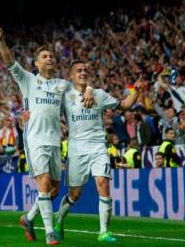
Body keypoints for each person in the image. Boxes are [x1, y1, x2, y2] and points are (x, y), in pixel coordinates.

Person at [0, 20, 93, 245]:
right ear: (36, 63)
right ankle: (49, 232)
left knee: (54, 190)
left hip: (55, 141)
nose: (49, 59)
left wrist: (89, 91)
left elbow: (79, 92)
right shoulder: (28, 79)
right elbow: (9, 61)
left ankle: (28, 218)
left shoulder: (61, 85)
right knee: (44, 184)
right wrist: (1, 40)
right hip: (35, 140)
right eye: (45, 56)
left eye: (51, 56)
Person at [54, 60, 139, 242]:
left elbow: (124, 105)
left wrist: (136, 91)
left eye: (85, 70)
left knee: (103, 183)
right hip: (76, 150)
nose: (83, 72)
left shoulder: (99, 94)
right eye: (78, 70)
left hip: (99, 146)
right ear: (71, 76)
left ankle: (103, 232)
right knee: (75, 195)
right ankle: (59, 219)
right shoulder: (65, 97)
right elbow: (49, 112)